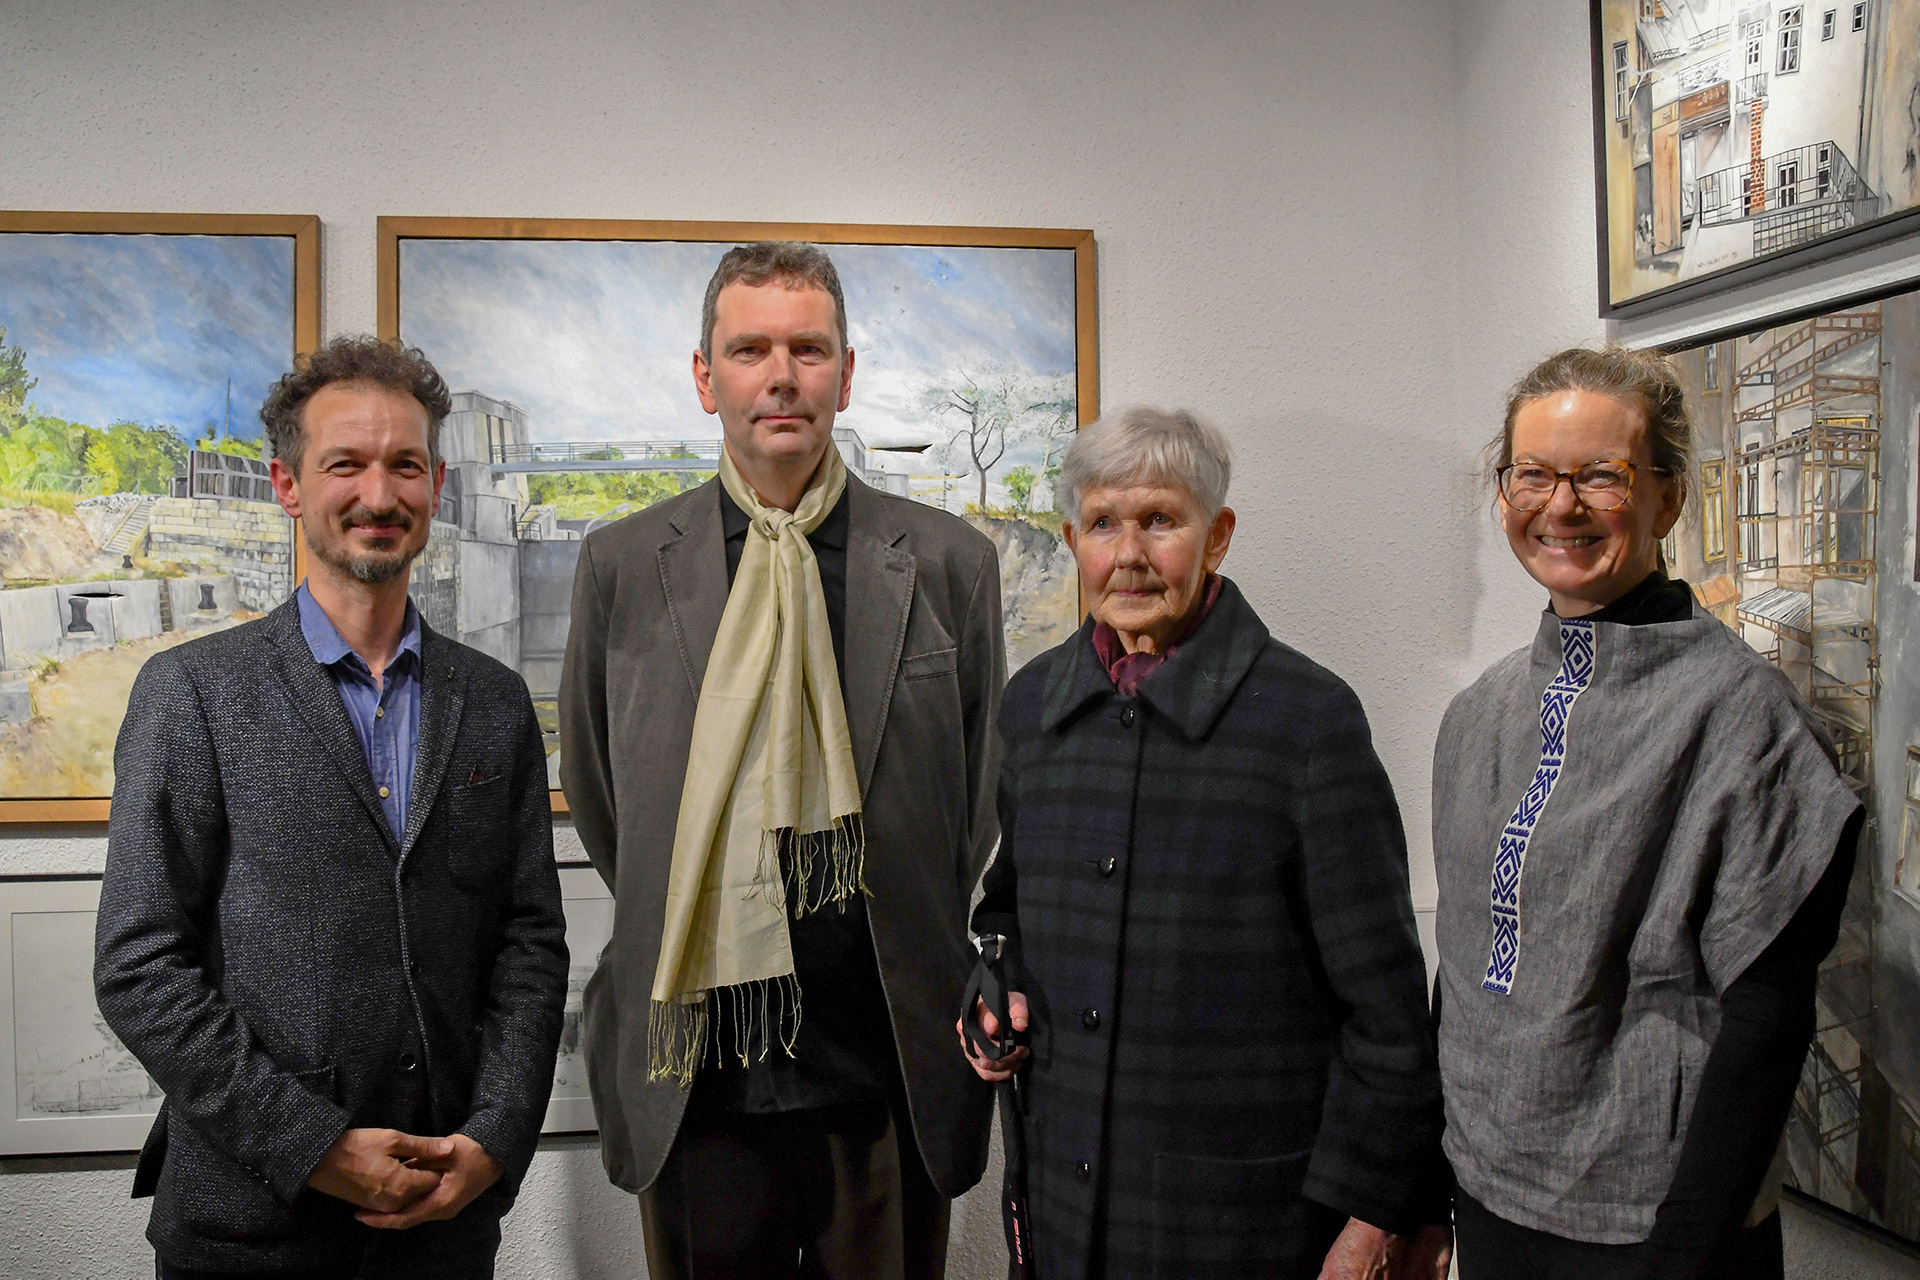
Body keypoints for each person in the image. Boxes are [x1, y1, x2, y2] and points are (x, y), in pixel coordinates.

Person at [558, 242, 1005, 1280]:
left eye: (809, 347)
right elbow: (601, 788)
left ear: (846, 373)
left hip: (883, 1066)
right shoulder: (624, 563)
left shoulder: (947, 563)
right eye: (750, 347)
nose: (782, 374)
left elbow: (977, 795)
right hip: (695, 1075)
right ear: (706, 375)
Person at [94, 336, 569, 1280]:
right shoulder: (191, 693)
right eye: (344, 464)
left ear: (435, 483)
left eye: (404, 466)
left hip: (445, 1219)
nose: (379, 496)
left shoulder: (496, 701)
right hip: (250, 1228)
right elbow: (140, 966)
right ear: (287, 484)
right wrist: (315, 1147)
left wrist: (496, 1137)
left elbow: (529, 943)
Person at [965, 406, 1451, 1280]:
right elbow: (1007, 908)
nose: (1130, 555)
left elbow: (1384, 1012)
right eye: (1104, 524)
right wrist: (990, 985)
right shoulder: (1032, 705)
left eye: (1161, 520)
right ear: (1074, 539)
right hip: (1065, 1208)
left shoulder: (1308, 722)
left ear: (1218, 536)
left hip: (1244, 1225)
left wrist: (1377, 1214)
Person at [1432, 347, 1864, 1280]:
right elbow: (1466, 968)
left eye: (1601, 475)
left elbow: (1768, 1017)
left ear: (1668, 499)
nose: (1561, 505)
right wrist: (1423, 1186)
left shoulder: (1749, 722)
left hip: (1653, 1226)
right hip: (1491, 1198)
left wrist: (1685, 1253)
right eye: (1533, 474)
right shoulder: (1480, 716)